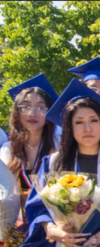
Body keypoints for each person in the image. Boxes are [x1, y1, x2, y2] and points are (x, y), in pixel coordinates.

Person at [22, 78, 100, 247]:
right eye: (79, 122)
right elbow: (37, 208)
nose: (87, 128)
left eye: (94, 120)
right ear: (69, 128)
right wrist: (53, 230)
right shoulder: (51, 165)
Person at [1, 73, 60, 212]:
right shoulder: (6, 150)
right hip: (14, 226)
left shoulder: (59, 147)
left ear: (49, 114)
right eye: (26, 107)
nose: (32, 113)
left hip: (51, 224)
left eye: (40, 107)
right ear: (17, 112)